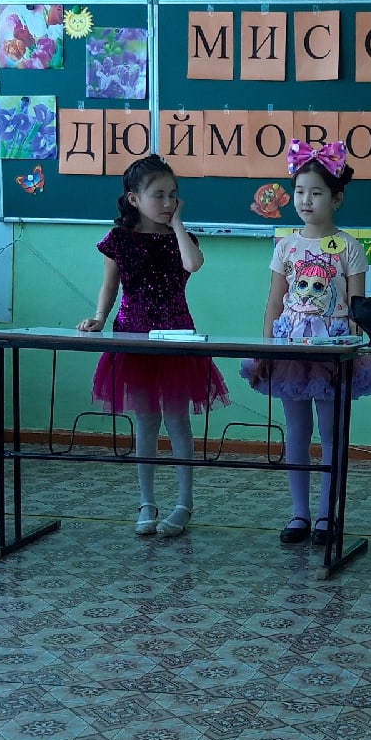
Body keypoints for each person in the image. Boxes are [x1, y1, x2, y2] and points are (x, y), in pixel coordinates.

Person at [78, 155, 230, 537]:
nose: (167, 202)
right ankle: (146, 502)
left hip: (177, 337)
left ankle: (184, 503)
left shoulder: (181, 239)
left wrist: (177, 224)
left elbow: (193, 265)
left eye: (173, 195)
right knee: (146, 420)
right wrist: (98, 317)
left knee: (178, 419)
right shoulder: (119, 239)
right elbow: (110, 286)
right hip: (133, 337)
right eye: (158, 195)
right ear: (134, 199)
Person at [239, 140, 371, 545]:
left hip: (332, 352)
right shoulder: (286, 245)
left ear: (336, 198)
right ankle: (299, 514)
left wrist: (349, 348)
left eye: (316, 193)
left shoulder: (349, 247)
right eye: (299, 191)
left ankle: (326, 515)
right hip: (290, 353)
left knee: (331, 433)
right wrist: (266, 349)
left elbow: (357, 307)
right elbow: (274, 302)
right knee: (297, 431)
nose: (305, 200)